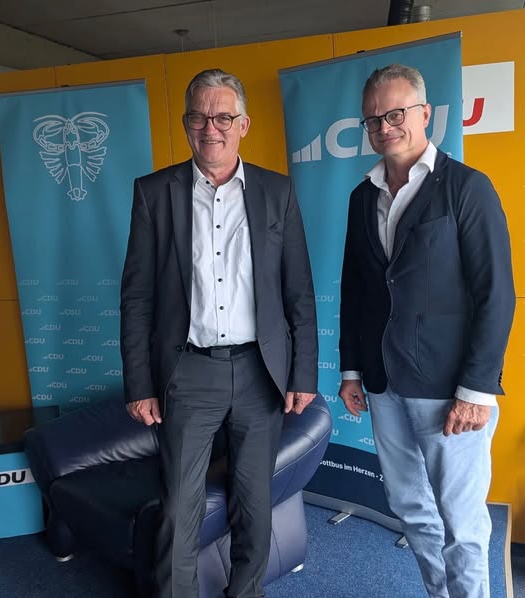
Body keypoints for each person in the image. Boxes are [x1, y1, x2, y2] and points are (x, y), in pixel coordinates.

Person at [120, 68, 318, 598]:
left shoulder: (277, 191)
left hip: (261, 373)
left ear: (243, 124)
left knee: (255, 505)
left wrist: (302, 372)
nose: (211, 128)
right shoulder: (153, 192)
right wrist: (139, 383)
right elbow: (137, 296)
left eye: (223, 117)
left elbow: (298, 290)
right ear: (186, 124)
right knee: (178, 510)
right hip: (188, 373)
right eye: (199, 117)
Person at [338, 64, 515, 598]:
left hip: (449, 390)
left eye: (395, 114)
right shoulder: (362, 196)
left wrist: (477, 390)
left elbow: (496, 294)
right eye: (373, 119)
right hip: (383, 383)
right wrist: (351, 369)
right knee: (410, 508)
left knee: (461, 522)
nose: (384, 126)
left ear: (424, 114)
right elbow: (356, 290)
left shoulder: (467, 187)